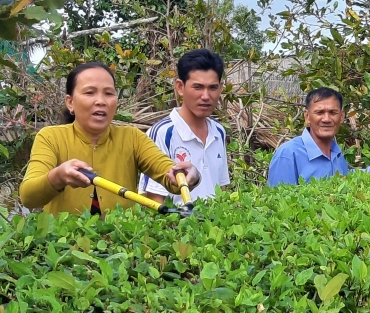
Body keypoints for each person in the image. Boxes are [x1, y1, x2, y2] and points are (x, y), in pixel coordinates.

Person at [19, 62, 200, 215]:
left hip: (123, 248)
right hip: (63, 251)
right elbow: (28, 197)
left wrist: (188, 176)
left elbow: (169, 175)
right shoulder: (50, 137)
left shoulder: (133, 137)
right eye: (90, 92)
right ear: (70, 103)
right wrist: (57, 177)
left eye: (108, 93)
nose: (101, 101)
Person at [267, 88, 370, 186]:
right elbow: (278, 209)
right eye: (319, 112)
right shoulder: (288, 155)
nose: (327, 119)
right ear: (307, 117)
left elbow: (346, 178)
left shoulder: (335, 152)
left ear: (342, 117)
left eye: (333, 113)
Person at [140, 48, 231, 205]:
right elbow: (153, 200)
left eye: (212, 87)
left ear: (221, 87)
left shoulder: (218, 131)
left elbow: (220, 188)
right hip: (178, 228)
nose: (205, 96)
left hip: (214, 226)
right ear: (180, 87)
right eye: (197, 87)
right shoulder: (163, 133)